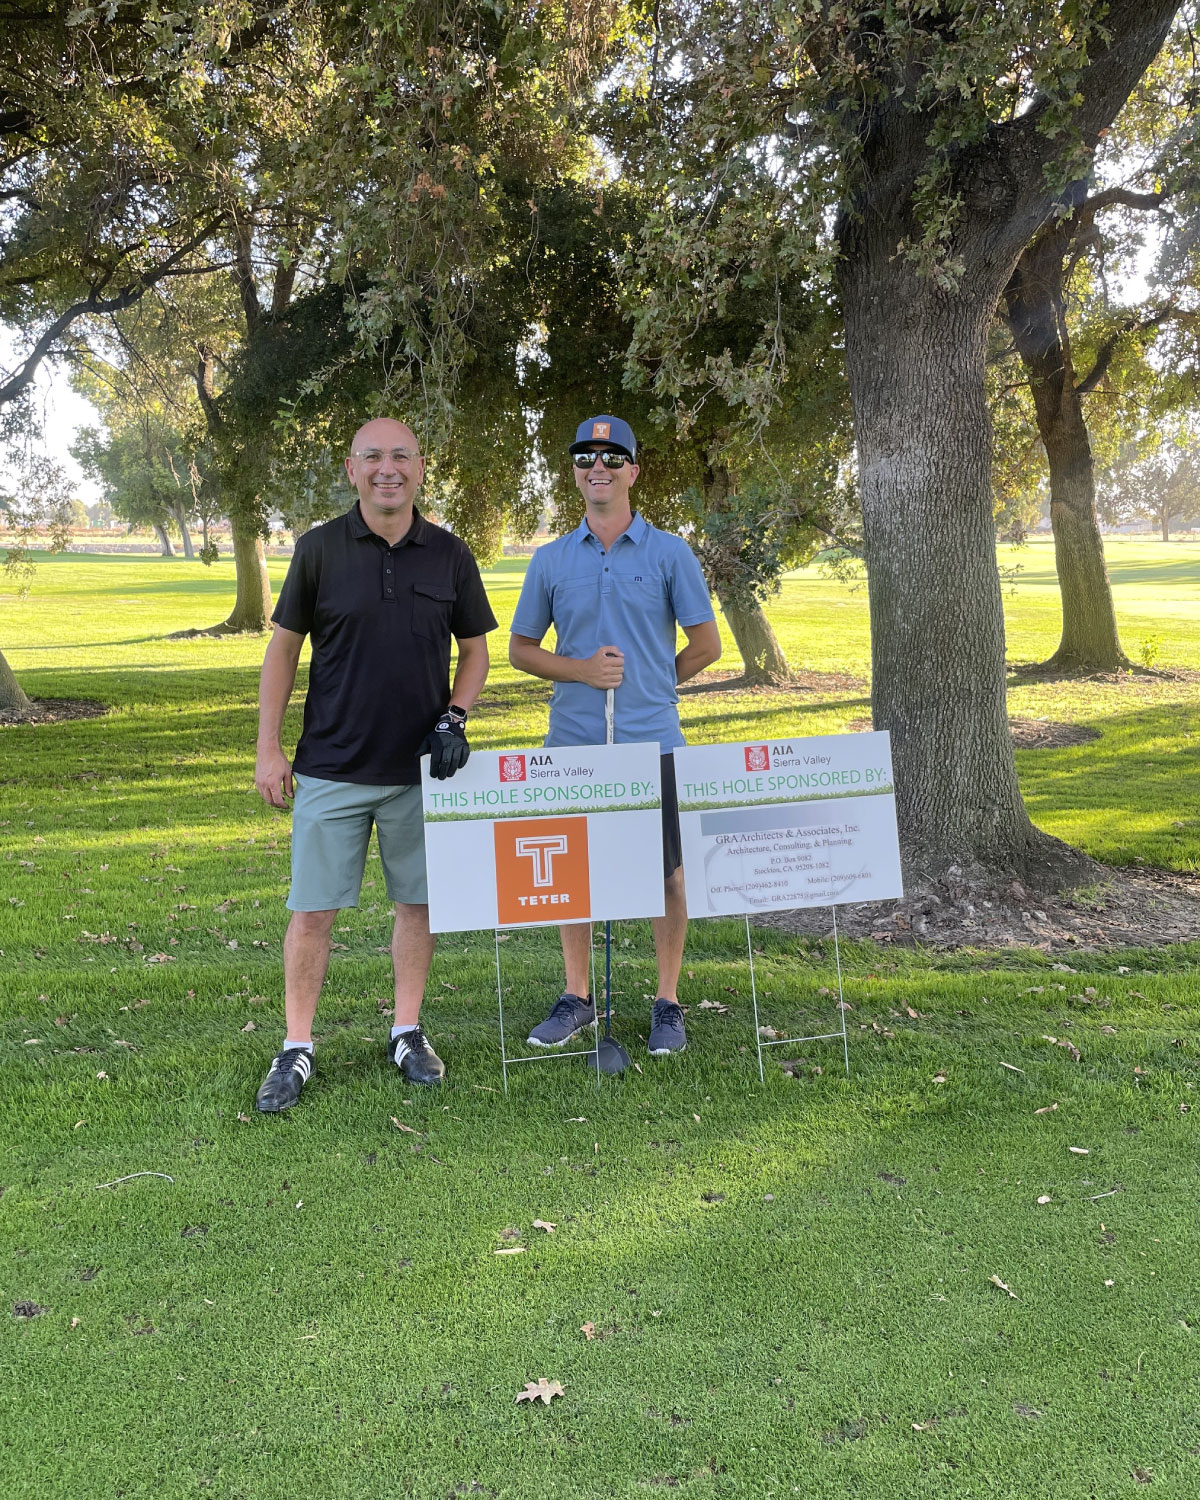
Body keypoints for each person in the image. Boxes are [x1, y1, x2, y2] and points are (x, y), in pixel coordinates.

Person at [253, 418, 497, 1111]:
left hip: (420, 774)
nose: (387, 469)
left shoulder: (450, 554)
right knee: (312, 914)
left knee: (416, 906)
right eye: (372, 458)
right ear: (351, 469)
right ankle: (297, 1046)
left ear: (421, 467)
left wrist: (456, 716)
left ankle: (408, 1030)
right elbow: (282, 652)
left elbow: (476, 650)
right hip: (330, 768)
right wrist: (269, 749)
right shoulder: (319, 550)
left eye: (400, 457)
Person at [509, 414, 722, 1056]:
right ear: (575, 471)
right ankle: (578, 996)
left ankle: (667, 1003)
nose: (596, 466)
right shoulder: (550, 559)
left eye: (610, 456)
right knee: (571, 873)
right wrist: (580, 672)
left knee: (667, 875)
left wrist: (654, 682)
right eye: (583, 457)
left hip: (650, 741)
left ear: (632, 469)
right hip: (572, 745)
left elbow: (705, 644)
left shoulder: (669, 553)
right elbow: (521, 650)